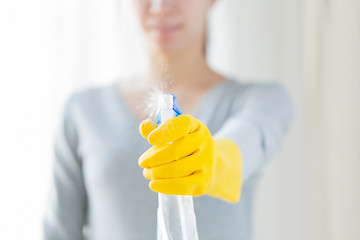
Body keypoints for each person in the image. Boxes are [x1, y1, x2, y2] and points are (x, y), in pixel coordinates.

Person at [43, 0, 293, 239]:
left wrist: (214, 160)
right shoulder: (83, 110)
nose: (161, 6)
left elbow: (249, 140)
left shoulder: (260, 100)